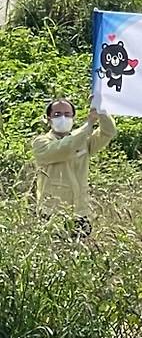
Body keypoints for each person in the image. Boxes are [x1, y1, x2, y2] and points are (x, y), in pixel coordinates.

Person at [32, 97, 117, 237]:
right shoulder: (41, 143)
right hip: (52, 212)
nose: (63, 118)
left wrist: (100, 109)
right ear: (48, 119)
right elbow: (65, 147)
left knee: (79, 255)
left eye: (67, 114)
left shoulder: (83, 141)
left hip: (80, 211)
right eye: (57, 114)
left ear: (74, 117)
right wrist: (88, 125)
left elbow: (108, 132)